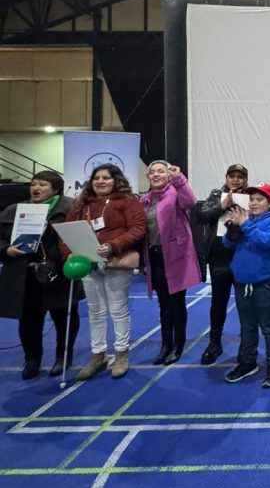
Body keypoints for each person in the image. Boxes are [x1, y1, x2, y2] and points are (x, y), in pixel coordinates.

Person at [64, 165, 146, 380]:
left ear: (115, 180)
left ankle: (121, 355)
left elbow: (138, 229)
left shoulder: (128, 202)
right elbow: (67, 232)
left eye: (106, 178)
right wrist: (69, 253)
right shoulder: (80, 205)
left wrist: (113, 245)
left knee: (118, 310)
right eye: (96, 178)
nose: (100, 181)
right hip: (88, 264)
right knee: (95, 311)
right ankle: (98, 355)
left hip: (115, 263)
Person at [0, 171, 83, 379]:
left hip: (59, 273)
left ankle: (63, 357)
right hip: (24, 275)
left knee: (64, 317)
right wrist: (6, 249)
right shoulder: (14, 210)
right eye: (33, 184)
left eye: (42, 184)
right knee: (29, 320)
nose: (36, 188)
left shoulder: (71, 208)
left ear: (56, 189)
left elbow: (81, 236)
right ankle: (32, 359)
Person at [221, 183, 270, 386]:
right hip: (242, 284)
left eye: (259, 199)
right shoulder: (245, 219)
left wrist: (245, 225)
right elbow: (226, 244)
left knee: (269, 327)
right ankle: (248, 362)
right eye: (252, 199)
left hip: (265, 284)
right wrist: (232, 230)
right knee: (247, 327)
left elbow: (267, 241)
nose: (254, 203)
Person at [139, 161, 201, 365]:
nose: (156, 174)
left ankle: (178, 345)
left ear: (168, 175)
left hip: (174, 258)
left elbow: (191, 202)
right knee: (163, 305)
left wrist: (179, 179)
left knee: (176, 304)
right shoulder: (144, 200)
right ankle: (166, 345)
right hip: (155, 258)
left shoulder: (176, 193)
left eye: (161, 171)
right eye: (152, 172)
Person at [195, 162, 249, 365]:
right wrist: (222, 206)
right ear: (226, 178)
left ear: (245, 180)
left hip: (242, 256)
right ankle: (214, 343)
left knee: (245, 303)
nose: (236, 180)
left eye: (240, 177)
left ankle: (246, 344)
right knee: (218, 302)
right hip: (219, 257)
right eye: (232, 176)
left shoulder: (251, 196)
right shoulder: (216, 194)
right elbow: (201, 216)